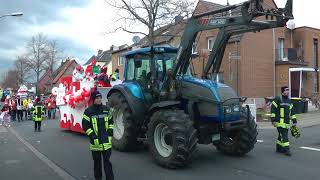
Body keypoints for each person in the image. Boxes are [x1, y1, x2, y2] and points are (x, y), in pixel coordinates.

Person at [82, 91, 114, 180]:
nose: (99, 99)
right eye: (97, 98)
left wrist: (110, 132)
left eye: (100, 97)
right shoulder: (88, 111)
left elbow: (111, 121)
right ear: (93, 99)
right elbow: (85, 125)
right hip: (95, 142)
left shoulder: (106, 109)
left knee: (107, 162)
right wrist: (92, 136)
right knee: (97, 163)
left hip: (106, 141)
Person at [271, 86, 297, 156]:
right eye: (286, 90)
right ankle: (287, 150)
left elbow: (292, 112)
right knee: (284, 136)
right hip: (279, 122)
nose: (288, 91)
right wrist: (273, 121)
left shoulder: (289, 101)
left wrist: (294, 121)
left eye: (288, 90)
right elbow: (273, 110)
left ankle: (278, 148)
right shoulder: (278, 99)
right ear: (282, 91)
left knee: (281, 135)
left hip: (286, 123)